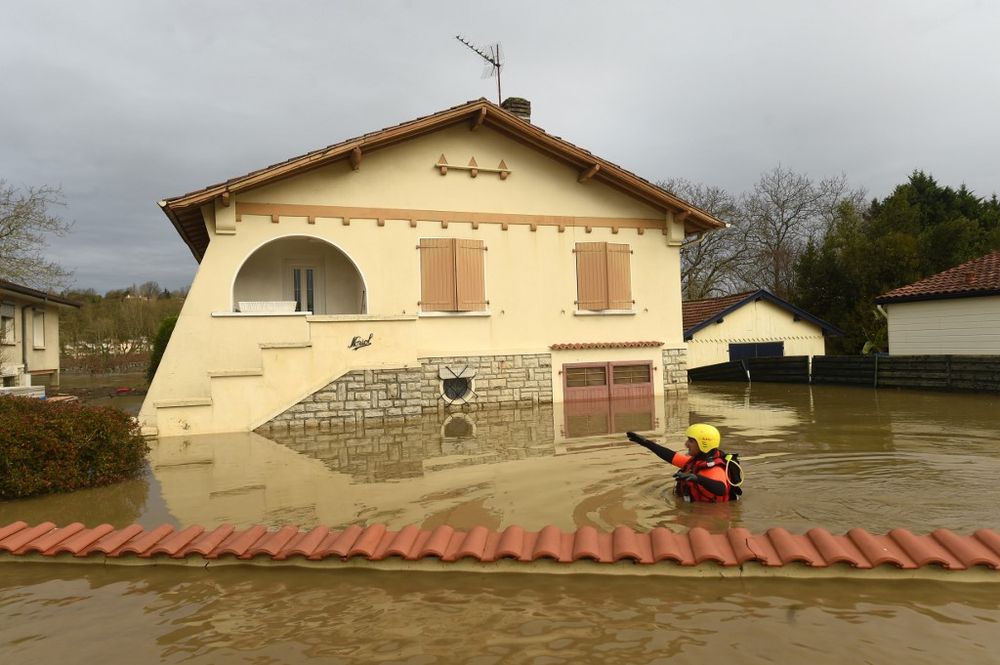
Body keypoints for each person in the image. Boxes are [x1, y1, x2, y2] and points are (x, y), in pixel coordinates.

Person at [627, 424, 741, 503]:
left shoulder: (713, 469)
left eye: (691, 441)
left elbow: (721, 489)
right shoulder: (697, 461)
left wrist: (697, 478)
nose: (686, 444)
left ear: (704, 444)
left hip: (711, 516)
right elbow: (670, 456)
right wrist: (645, 443)